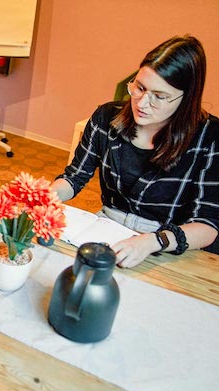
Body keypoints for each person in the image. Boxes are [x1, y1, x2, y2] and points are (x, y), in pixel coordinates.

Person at [52, 35, 219, 268]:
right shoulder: (106, 118)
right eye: (139, 87)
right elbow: (74, 177)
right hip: (108, 225)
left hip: (166, 240)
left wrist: (152, 242)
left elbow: (207, 224)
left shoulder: (210, 137)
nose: (141, 103)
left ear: (186, 99)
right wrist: (47, 196)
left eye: (159, 97)